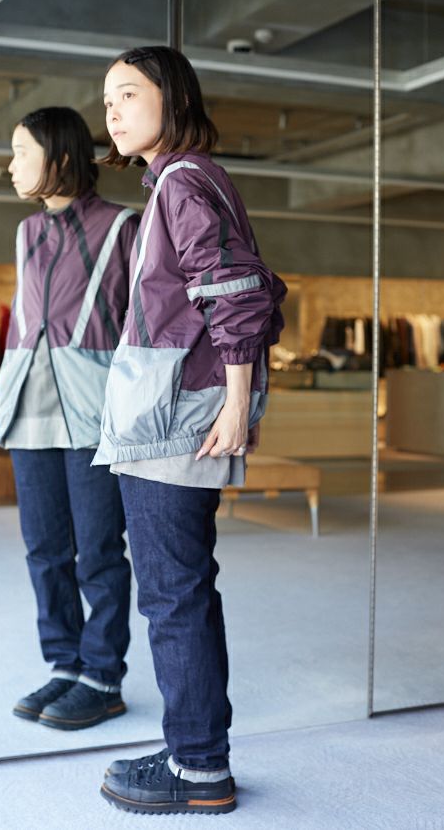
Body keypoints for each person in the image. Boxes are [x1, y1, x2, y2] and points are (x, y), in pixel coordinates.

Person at [96, 48, 287, 814]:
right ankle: (192, 748)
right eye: (105, 100)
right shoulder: (177, 183)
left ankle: (199, 766)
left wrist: (236, 404)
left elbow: (235, 292)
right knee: (180, 592)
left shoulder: (182, 180)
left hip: (174, 418)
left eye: (127, 93)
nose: (111, 110)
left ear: (170, 97)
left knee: (173, 596)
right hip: (169, 413)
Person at [0, 107, 139, 730]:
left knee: (98, 549)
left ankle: (102, 677)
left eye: (21, 152)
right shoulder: (26, 232)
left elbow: (140, 323)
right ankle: (65, 664)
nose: (11, 165)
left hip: (92, 408)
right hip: (30, 407)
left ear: (57, 156)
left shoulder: (124, 226)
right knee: (44, 548)